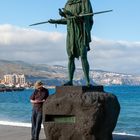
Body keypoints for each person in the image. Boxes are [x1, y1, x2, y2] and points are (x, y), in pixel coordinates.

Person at [48, 0, 93, 86]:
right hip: (71, 34)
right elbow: (68, 20)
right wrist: (56, 21)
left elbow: (86, 18)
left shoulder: (84, 1)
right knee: (70, 56)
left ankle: (88, 81)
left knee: (83, 56)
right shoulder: (68, 4)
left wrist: (69, 14)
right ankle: (70, 81)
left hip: (81, 33)